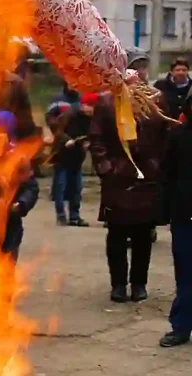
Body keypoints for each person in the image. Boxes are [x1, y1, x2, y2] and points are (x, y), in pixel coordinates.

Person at [89, 48, 167, 304]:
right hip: (118, 179)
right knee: (117, 235)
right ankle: (119, 284)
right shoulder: (107, 101)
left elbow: (165, 136)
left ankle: (139, 283)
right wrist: (107, 168)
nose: (140, 72)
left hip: (146, 178)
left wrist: (156, 165)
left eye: (143, 66)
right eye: (135, 66)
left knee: (144, 236)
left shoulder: (156, 98)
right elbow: (97, 138)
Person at [161, 89, 192, 347]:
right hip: (185, 218)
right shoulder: (178, 136)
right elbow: (166, 177)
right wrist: (165, 211)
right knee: (186, 275)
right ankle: (181, 327)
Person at [0, 111, 39, 262]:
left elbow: (30, 186)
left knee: (6, 262)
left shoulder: (18, 157)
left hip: (10, 220)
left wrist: (21, 204)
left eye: (2, 131)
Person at [46, 92, 97, 227]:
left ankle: (74, 216)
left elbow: (91, 134)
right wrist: (66, 140)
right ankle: (61, 215)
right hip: (62, 155)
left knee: (77, 188)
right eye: (91, 106)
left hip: (77, 157)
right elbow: (57, 130)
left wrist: (87, 143)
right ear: (84, 105)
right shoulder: (69, 115)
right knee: (60, 186)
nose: (92, 110)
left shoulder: (91, 119)